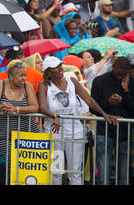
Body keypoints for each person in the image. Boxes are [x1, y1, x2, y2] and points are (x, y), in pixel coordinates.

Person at [38, 56, 117, 185]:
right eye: (56, 67)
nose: (60, 68)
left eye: (60, 65)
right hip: (54, 132)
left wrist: (104, 113)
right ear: (48, 71)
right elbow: (42, 107)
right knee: (55, 170)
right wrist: (54, 116)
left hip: (75, 132)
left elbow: (88, 100)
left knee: (75, 172)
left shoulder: (72, 81)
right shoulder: (44, 85)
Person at [0, 60, 39, 180]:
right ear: (10, 76)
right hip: (6, 135)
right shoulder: (0, 85)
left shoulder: (27, 86)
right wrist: (0, 107)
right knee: (11, 168)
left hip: (27, 134)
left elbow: (35, 106)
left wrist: (16, 109)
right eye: (20, 75)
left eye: (25, 75)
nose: (24, 78)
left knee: (28, 169)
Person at [91, 56, 133, 185]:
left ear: (128, 72)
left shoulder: (131, 83)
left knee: (124, 177)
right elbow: (92, 108)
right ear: (113, 67)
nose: (120, 77)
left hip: (124, 134)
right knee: (103, 176)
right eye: (118, 73)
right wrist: (108, 102)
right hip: (104, 132)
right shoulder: (99, 81)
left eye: (123, 74)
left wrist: (126, 92)